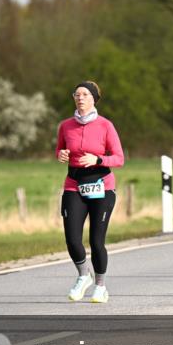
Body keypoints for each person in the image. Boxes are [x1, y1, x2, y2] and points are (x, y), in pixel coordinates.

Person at [57, 81, 125, 303]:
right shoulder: (66, 126)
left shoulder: (106, 125)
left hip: (101, 186)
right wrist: (61, 155)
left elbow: (119, 159)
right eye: (77, 94)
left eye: (85, 94)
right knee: (72, 239)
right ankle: (83, 275)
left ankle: (100, 286)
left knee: (96, 241)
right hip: (73, 184)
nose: (80, 98)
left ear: (94, 99)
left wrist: (98, 159)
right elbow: (60, 150)